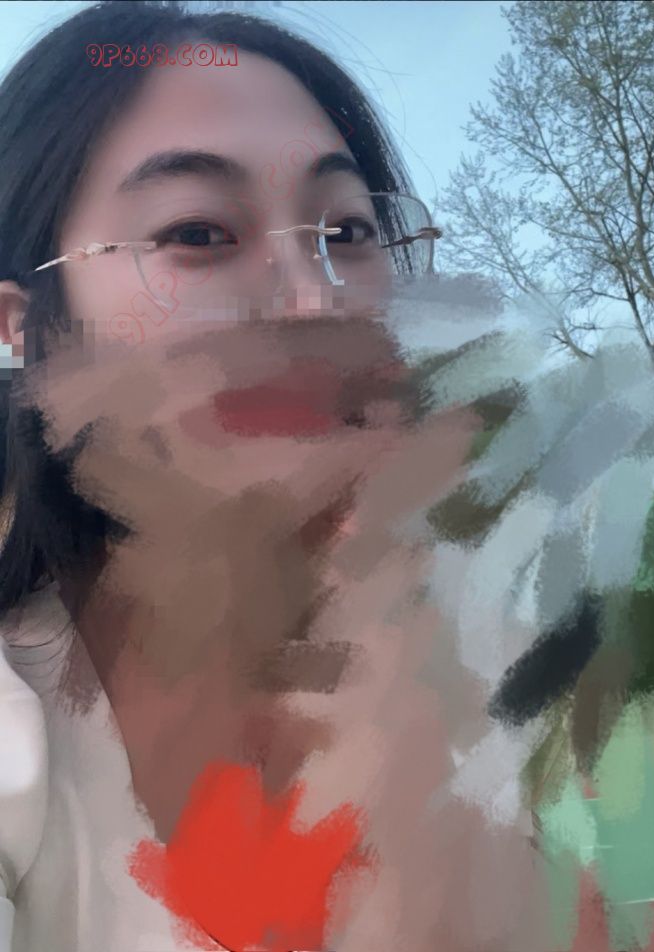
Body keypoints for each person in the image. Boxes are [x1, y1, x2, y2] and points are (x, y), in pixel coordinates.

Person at [0, 2, 556, 951]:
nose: (315, 301)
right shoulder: (22, 742)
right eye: (199, 233)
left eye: (347, 231)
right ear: (24, 331)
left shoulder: (511, 664)